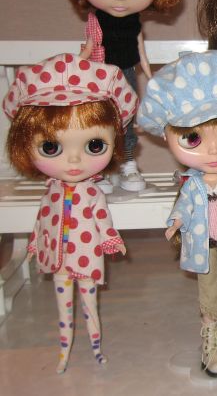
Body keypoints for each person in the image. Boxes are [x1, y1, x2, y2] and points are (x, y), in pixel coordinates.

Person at [2, 53, 137, 373]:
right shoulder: (51, 190)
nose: (74, 161)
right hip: (57, 258)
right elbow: (42, 220)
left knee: (90, 304)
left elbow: (102, 220)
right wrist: (35, 243)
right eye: (51, 148)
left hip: (86, 257)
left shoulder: (92, 191)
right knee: (63, 308)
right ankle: (64, 350)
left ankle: (95, 347)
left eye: (94, 146)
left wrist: (111, 240)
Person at [137, 51, 217, 378]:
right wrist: (175, 224)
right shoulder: (193, 185)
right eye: (193, 138)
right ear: (166, 135)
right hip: (203, 245)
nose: (213, 150)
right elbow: (183, 208)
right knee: (209, 293)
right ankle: (211, 345)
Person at [61, 0, 183, 192]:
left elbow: (140, 50)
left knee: (126, 118)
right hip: (97, 76)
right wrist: (74, 71)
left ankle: (127, 164)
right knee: (99, 121)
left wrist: (150, 75)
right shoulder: (96, 20)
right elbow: (90, 48)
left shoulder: (133, 22)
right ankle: (101, 169)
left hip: (126, 73)